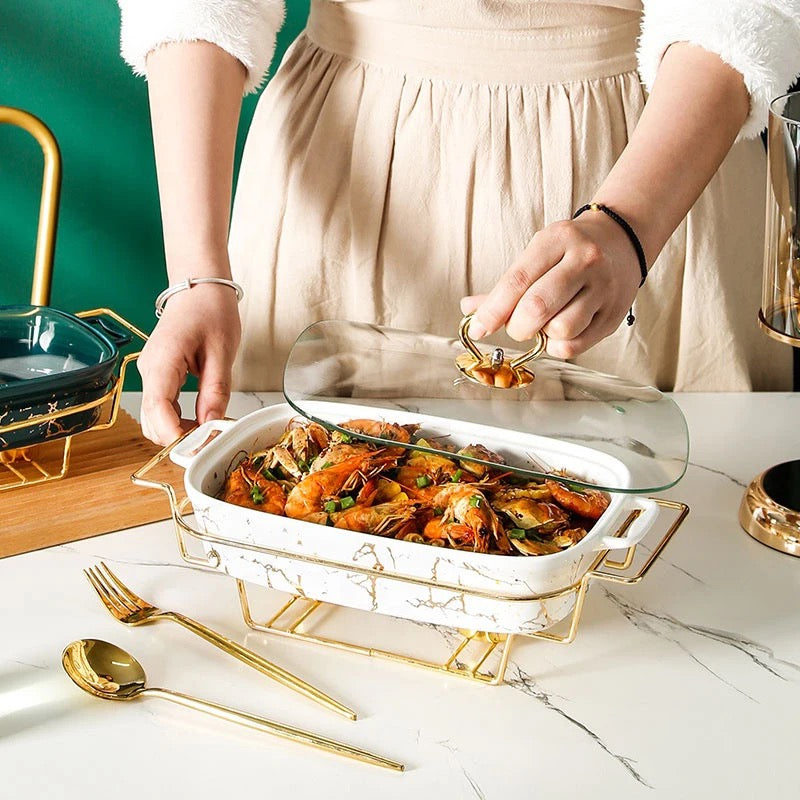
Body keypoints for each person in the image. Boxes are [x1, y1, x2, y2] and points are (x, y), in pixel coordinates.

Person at [117, 0, 800, 445]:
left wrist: (627, 225)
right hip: (341, 176)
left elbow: (742, 12)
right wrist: (196, 277)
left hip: (656, 165)